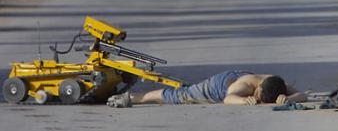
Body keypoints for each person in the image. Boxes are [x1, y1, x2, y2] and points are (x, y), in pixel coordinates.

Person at [107, 71, 307, 108]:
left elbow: (302, 94)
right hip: (218, 86)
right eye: (258, 97)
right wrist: (243, 100)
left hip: (233, 77)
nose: (259, 101)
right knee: (179, 96)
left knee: (185, 91)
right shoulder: (245, 85)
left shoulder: (274, 82)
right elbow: (229, 99)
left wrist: (290, 99)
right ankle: (134, 97)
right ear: (257, 87)